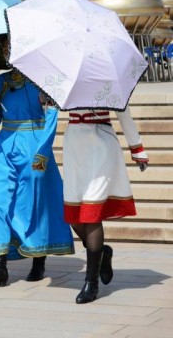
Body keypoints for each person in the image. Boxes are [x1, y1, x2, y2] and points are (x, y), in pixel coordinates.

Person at [0, 40, 75, 286]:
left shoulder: (42, 79)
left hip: (34, 143)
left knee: (33, 204)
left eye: (13, 49)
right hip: (5, 145)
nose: (8, 54)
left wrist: (42, 152)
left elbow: (52, 115)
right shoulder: (0, 81)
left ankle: (38, 258)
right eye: (5, 50)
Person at [63, 107, 148, 303]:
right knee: (73, 216)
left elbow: (123, 113)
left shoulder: (108, 79)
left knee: (91, 214)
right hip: (74, 144)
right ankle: (102, 252)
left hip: (100, 144)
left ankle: (91, 283)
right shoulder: (66, 78)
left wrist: (137, 148)